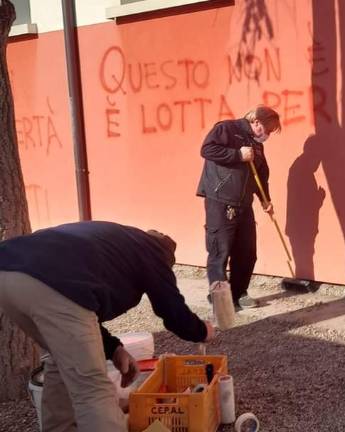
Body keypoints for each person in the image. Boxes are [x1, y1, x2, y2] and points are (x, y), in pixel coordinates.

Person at [0, 221, 215, 431]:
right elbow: (172, 310)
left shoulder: (119, 242)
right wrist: (202, 331)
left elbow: (78, 308)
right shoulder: (153, 251)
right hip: (50, 284)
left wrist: (114, 349)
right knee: (93, 390)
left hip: (8, 274)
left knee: (60, 362)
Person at [196, 106, 282, 310]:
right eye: (267, 130)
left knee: (247, 251)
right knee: (220, 251)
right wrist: (237, 154)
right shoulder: (227, 128)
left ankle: (239, 292)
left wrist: (265, 200)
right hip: (220, 200)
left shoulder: (256, 144)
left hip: (244, 204)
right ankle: (220, 297)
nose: (267, 135)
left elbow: (261, 175)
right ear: (257, 122)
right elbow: (207, 149)